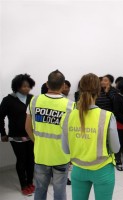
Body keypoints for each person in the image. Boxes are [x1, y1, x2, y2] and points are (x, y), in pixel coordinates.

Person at [61, 73, 120, 200]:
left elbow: (65, 149)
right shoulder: (107, 116)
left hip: (78, 170)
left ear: (80, 89)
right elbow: (115, 149)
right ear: (99, 90)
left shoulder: (68, 115)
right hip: (102, 170)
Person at [25, 70, 75, 200]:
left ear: (47, 84)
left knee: (40, 190)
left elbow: (27, 127)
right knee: (60, 192)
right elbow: (73, 134)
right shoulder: (70, 105)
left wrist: (37, 141)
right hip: (61, 156)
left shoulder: (35, 101)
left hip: (41, 154)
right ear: (63, 85)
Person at [0, 74, 35, 196]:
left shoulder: (32, 99)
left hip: (31, 135)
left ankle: (30, 182)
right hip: (16, 136)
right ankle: (24, 185)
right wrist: (3, 133)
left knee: (31, 159)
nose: (26, 88)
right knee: (22, 160)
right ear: (17, 86)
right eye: (23, 86)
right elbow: (0, 117)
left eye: (28, 86)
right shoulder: (8, 100)